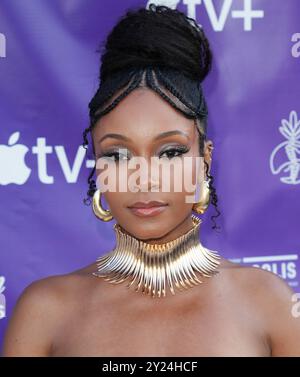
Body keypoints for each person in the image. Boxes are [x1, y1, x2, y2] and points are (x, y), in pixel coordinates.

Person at [2, 4, 300, 357]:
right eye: (117, 154)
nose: (143, 179)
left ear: (204, 159)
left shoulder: (272, 305)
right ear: (97, 165)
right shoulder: (45, 312)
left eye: (170, 152)